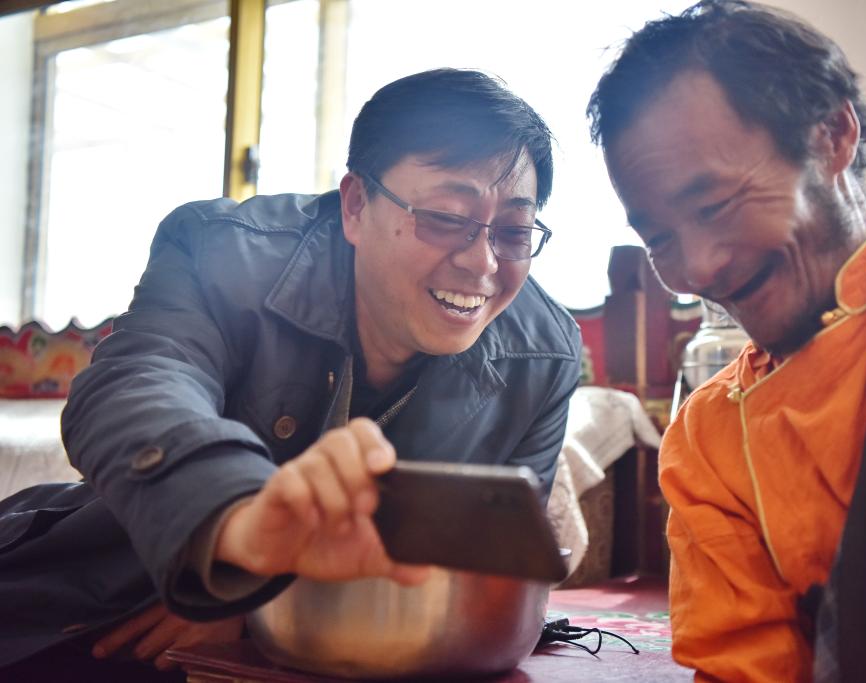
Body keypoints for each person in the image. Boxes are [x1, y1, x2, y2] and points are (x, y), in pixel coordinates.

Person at [0, 68, 581, 679]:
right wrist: (237, 529)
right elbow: (136, 388)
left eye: (514, 231)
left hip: (360, 649)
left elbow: (497, 561)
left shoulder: (544, 358)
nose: (482, 262)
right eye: (444, 216)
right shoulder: (224, 252)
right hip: (99, 605)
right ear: (355, 205)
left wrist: (253, 605)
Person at [587, 1, 866, 681]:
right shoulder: (711, 440)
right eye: (660, 238)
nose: (697, 269)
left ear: (833, 137)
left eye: (714, 204)